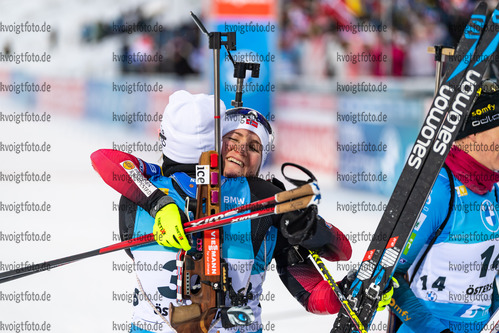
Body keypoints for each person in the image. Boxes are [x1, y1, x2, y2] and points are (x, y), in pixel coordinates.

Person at [91, 90, 352, 333]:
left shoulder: (268, 205)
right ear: (212, 144)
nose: (241, 150)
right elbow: (104, 159)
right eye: (232, 140)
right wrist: (159, 204)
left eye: (254, 147)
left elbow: (319, 285)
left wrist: (310, 231)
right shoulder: (152, 182)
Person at [389, 80, 499, 333]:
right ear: (473, 131)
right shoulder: (438, 188)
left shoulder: (492, 189)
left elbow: (484, 278)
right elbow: (388, 276)